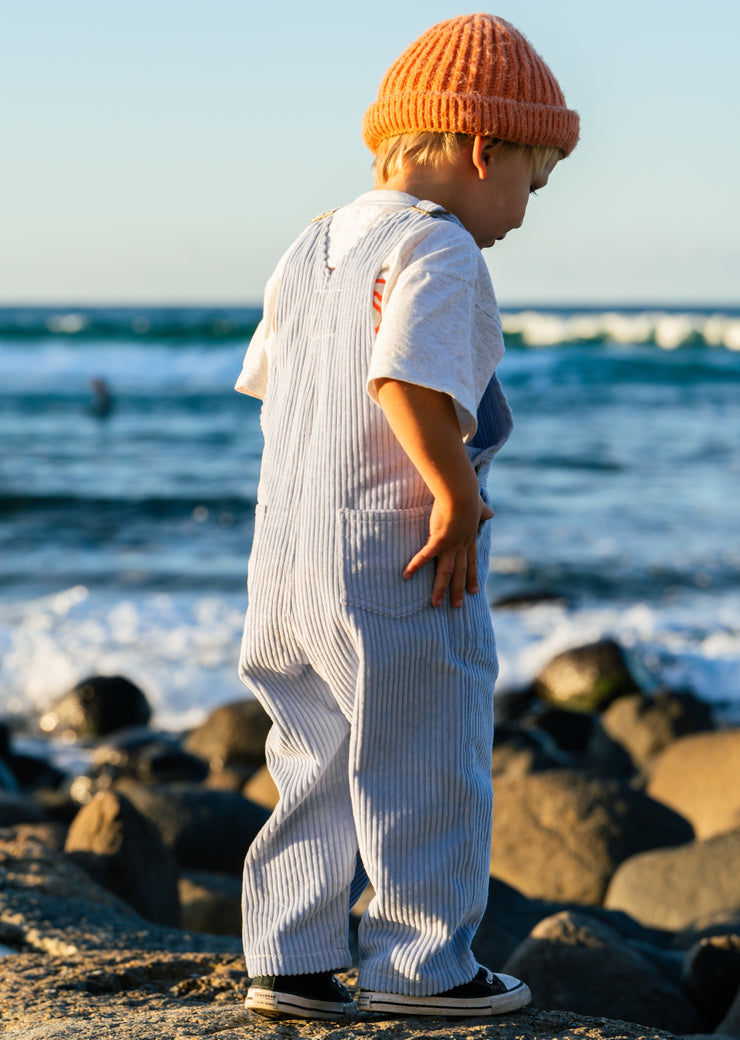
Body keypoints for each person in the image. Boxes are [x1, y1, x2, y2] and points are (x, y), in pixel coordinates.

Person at [235, 12, 579, 1021]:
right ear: (481, 148)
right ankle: (420, 967)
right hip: (392, 548)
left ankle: (288, 959)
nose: (522, 209)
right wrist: (456, 496)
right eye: (531, 180)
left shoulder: (310, 244)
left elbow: (279, 386)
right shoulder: (440, 247)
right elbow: (405, 379)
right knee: (424, 751)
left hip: (287, 548)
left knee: (311, 753)